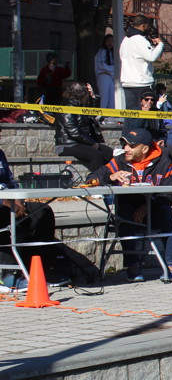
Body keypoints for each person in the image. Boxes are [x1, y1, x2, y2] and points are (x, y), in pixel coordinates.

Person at [87, 127, 172, 282]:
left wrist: (148, 206)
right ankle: (133, 265)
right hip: (128, 211)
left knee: (167, 212)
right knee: (123, 214)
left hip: (155, 209)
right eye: (125, 145)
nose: (126, 149)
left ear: (144, 149)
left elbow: (170, 196)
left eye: (131, 146)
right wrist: (111, 176)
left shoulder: (164, 162)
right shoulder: (119, 161)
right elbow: (91, 178)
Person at [1, 128, 65, 291]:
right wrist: (5, 202)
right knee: (5, 216)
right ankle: (8, 274)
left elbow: (10, 182)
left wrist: (18, 200)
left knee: (42, 211)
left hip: (9, 199)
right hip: (2, 205)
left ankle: (41, 269)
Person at [52, 82, 114, 172]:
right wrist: (92, 143)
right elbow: (74, 132)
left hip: (82, 143)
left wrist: (93, 97)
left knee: (109, 153)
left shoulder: (81, 106)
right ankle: (95, 178)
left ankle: (109, 177)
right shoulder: (67, 107)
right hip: (67, 144)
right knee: (96, 155)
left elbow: (93, 116)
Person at [118, 15, 163, 110]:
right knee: (146, 112)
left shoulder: (125, 40)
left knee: (131, 112)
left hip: (127, 82)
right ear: (143, 25)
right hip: (142, 83)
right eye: (147, 25)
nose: (148, 27)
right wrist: (160, 45)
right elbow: (151, 57)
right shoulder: (140, 40)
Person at [93, 35, 116, 110]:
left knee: (112, 98)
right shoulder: (102, 51)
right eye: (108, 41)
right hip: (103, 76)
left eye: (112, 41)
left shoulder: (111, 52)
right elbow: (102, 65)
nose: (110, 43)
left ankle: (111, 114)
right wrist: (113, 69)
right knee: (104, 98)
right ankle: (102, 113)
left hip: (111, 76)